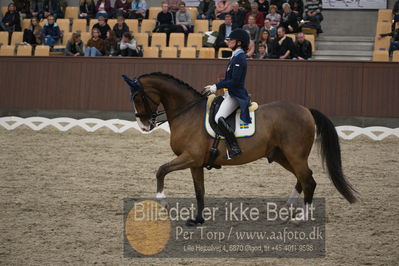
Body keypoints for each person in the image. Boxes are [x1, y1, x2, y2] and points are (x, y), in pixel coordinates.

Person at [202, 29, 251, 159]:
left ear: (239, 42)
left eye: (231, 40)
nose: (228, 42)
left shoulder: (240, 58)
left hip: (236, 95)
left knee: (219, 117)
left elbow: (234, 81)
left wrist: (216, 86)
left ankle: (234, 148)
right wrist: (215, 86)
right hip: (229, 94)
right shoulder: (234, 57)